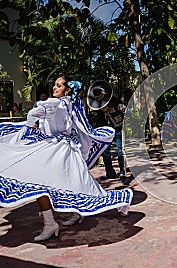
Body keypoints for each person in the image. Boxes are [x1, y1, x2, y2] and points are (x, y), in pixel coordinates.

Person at [0, 76, 133, 241]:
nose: (54, 88)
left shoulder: (57, 103)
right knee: (75, 185)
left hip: (58, 150)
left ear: (67, 90)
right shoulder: (71, 103)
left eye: (58, 85)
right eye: (54, 85)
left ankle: (50, 224)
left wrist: (32, 121)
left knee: (39, 183)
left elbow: (34, 113)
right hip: (64, 149)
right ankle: (71, 216)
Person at [100, 95, 128, 181]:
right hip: (108, 130)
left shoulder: (116, 101)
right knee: (105, 150)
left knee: (120, 150)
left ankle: (122, 171)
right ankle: (110, 173)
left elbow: (126, 112)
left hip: (119, 127)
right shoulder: (98, 104)